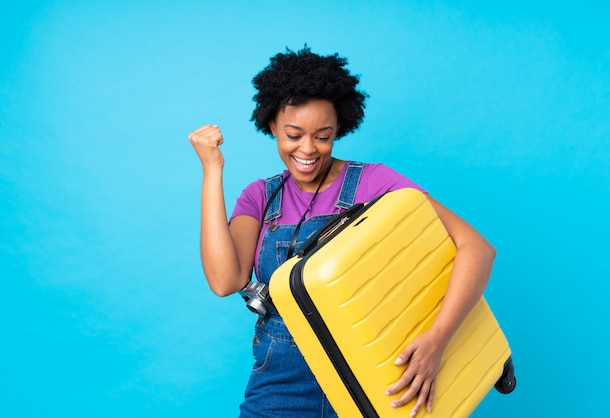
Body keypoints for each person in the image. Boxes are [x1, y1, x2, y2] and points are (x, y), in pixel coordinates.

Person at [188, 46, 496, 418]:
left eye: (323, 135)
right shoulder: (261, 197)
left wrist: (438, 339)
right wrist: (212, 170)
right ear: (271, 125)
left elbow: (476, 248)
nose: (308, 149)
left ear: (340, 130)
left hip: (370, 377)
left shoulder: (373, 182)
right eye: (293, 134)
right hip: (278, 387)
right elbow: (225, 280)